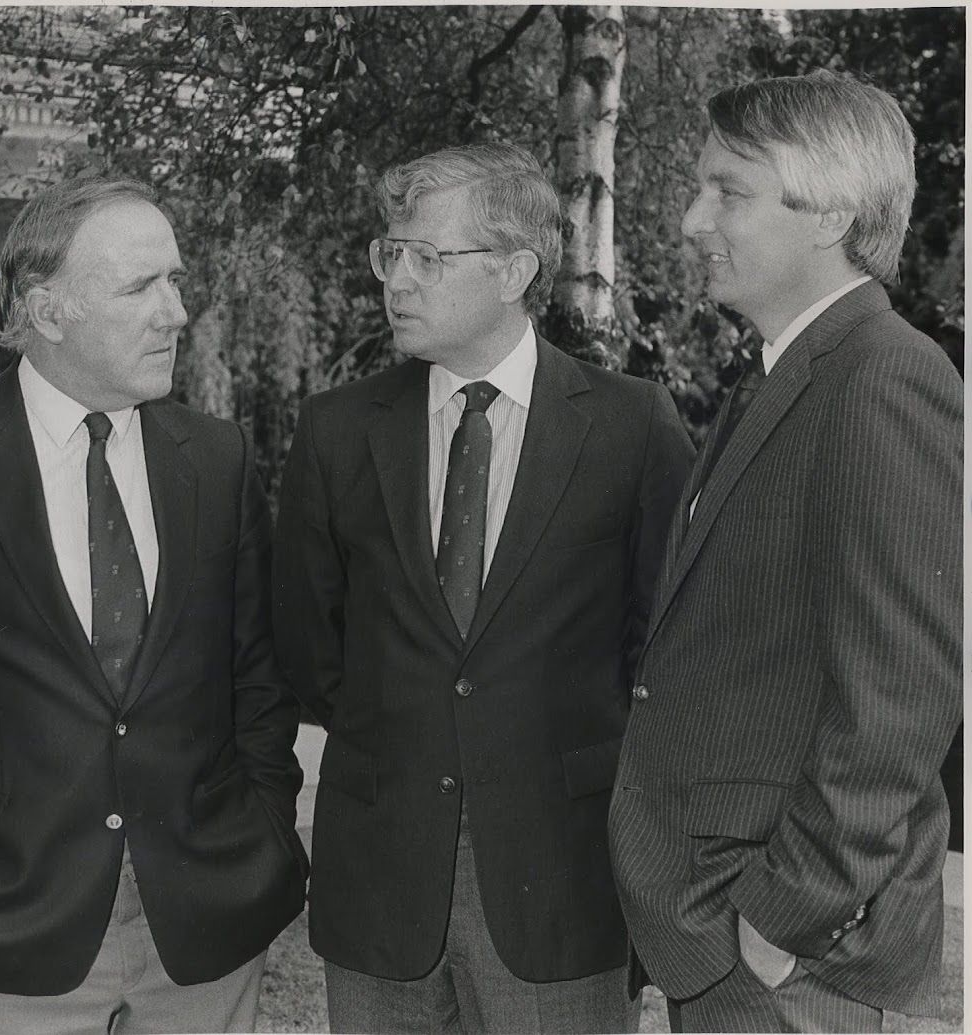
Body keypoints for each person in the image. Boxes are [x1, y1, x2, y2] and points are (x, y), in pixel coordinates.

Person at [272, 142, 694, 1033]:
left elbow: (662, 652)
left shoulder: (631, 427)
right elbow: (312, 650)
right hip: (379, 879)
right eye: (392, 252)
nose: (399, 280)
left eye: (430, 257)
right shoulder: (338, 430)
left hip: (561, 884)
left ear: (514, 270)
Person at [608, 71, 962, 1033]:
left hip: (788, 963)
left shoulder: (885, 379)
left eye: (730, 189)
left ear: (831, 213)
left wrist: (779, 921)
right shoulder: (786, 374)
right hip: (729, 940)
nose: (691, 218)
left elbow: (900, 697)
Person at [0, 177, 307, 1034]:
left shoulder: (217, 457)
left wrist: (267, 836)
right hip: (16, 934)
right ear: (48, 311)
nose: (176, 313)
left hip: (206, 930)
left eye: (175, 280)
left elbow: (257, 682)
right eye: (141, 288)